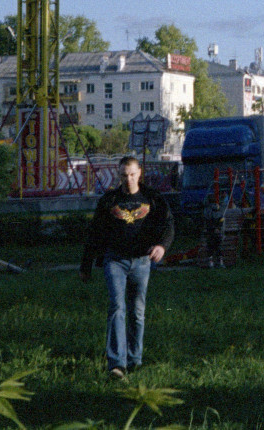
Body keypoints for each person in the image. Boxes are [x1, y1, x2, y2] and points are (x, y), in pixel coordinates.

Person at [80, 155, 173, 378]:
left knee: (137, 312)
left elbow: (169, 223)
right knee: (117, 308)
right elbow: (94, 232)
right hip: (115, 261)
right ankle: (117, 363)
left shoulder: (153, 198)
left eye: (132, 174)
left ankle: (134, 360)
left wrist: (162, 245)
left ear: (139, 173)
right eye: (124, 175)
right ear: (118, 175)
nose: (128, 179)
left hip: (142, 261)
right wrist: (86, 265)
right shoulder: (109, 201)